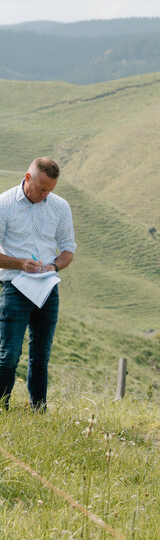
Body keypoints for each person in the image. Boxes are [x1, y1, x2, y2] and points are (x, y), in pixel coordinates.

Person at [0, 158, 76, 410]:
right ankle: (2, 408)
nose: (44, 195)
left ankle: (38, 411)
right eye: (40, 189)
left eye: (49, 191)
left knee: (41, 357)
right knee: (9, 354)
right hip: (14, 287)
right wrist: (21, 264)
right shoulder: (4, 204)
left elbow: (67, 249)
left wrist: (54, 266)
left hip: (47, 289)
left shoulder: (60, 206)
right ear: (28, 178)